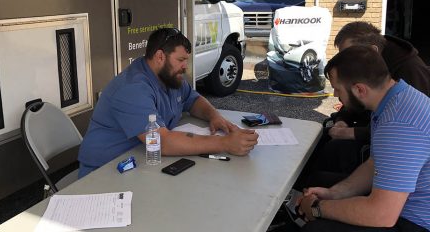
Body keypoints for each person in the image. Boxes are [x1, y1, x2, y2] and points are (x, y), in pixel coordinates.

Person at [78, 28, 258, 178]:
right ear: (160, 57)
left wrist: (214, 116)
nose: (185, 66)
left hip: (144, 161)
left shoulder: (169, 77)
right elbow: (162, 142)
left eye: (186, 60)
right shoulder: (132, 88)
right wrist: (225, 143)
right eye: (180, 60)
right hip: (106, 172)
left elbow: (193, 99)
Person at [297, 45, 430, 231]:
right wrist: (334, 194)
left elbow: (382, 214)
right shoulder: (395, 98)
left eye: (337, 89)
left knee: (316, 229)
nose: (335, 95)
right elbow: (375, 164)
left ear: (360, 90)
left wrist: (318, 209)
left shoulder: (398, 124)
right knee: (320, 180)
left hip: (414, 222)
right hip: (399, 205)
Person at [313, 22, 430, 179]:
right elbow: (355, 98)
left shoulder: (410, 75)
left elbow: (400, 139)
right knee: (321, 140)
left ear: (372, 51)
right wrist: (342, 119)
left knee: (331, 154)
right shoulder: (374, 73)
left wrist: (352, 133)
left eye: (349, 54)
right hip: (375, 146)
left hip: (391, 161)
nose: (344, 61)